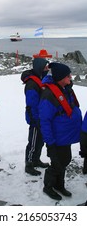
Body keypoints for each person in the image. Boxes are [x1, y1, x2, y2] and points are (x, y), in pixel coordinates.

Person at [39, 62, 82, 200]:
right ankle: (48, 186)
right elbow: (45, 121)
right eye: (68, 75)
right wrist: (50, 143)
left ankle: (59, 184)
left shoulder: (65, 89)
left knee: (65, 160)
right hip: (57, 137)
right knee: (57, 162)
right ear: (60, 77)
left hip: (65, 136)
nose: (71, 77)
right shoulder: (48, 95)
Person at [21, 58, 49, 176]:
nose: (47, 69)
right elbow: (31, 104)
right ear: (40, 68)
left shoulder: (40, 78)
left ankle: (36, 160)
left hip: (41, 117)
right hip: (35, 118)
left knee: (40, 141)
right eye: (45, 67)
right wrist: (36, 120)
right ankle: (29, 164)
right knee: (33, 142)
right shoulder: (32, 83)